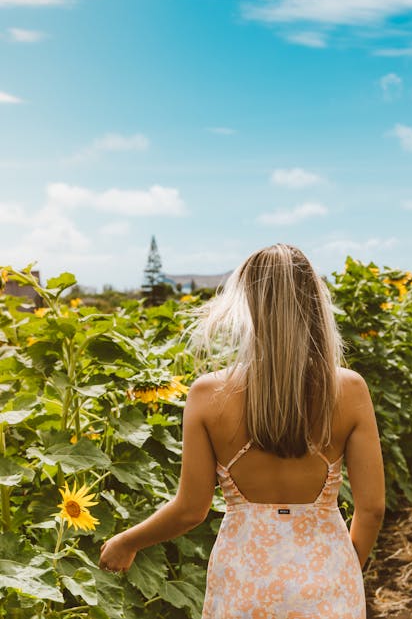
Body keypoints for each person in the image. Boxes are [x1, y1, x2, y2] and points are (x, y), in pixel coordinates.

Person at [99, 243, 386, 618]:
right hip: (327, 581)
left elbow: (190, 510)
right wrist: (344, 570)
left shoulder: (208, 394)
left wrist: (126, 541)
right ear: (315, 302)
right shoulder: (348, 389)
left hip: (243, 582)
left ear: (249, 305)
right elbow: (372, 508)